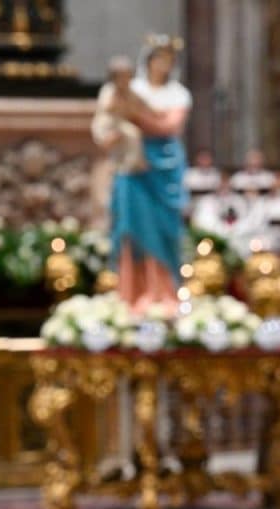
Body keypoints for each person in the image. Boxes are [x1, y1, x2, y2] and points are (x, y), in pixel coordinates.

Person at [110, 35, 192, 315]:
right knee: (133, 227)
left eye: (168, 60)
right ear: (148, 61)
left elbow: (168, 126)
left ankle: (164, 292)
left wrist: (134, 115)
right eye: (159, 59)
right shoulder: (135, 88)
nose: (163, 65)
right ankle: (133, 294)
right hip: (134, 166)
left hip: (164, 167)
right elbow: (112, 116)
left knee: (164, 229)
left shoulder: (178, 94)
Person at [91, 56, 150, 174]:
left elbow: (143, 104)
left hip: (120, 124)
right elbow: (107, 108)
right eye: (121, 77)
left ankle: (132, 163)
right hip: (106, 125)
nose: (124, 80)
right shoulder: (109, 90)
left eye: (127, 77)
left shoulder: (130, 91)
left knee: (133, 134)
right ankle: (122, 165)